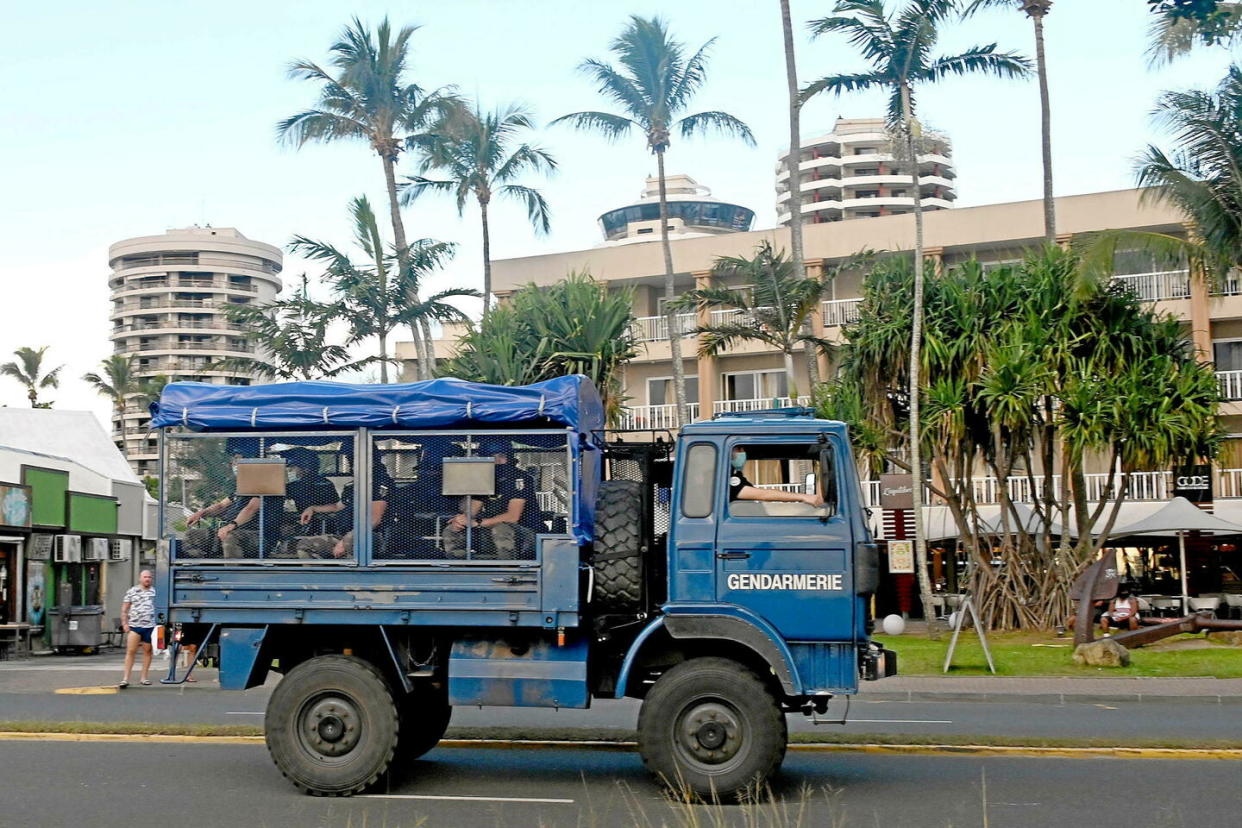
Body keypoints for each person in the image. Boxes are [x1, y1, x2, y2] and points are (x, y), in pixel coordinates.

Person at [443, 437, 542, 560]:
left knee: (501, 528)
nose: (497, 461)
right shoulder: (484, 477)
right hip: (489, 528)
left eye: (501, 456)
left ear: (509, 457)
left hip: (526, 534)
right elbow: (472, 509)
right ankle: (459, 569)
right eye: (491, 456)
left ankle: (508, 572)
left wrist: (477, 523)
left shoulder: (520, 478)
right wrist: (462, 519)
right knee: (452, 529)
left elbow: (512, 517)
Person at [297, 453, 394, 559]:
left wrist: (344, 542)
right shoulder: (352, 486)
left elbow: (374, 520)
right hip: (348, 535)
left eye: (351, 459)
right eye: (349, 459)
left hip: (373, 537)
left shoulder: (379, 483)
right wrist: (313, 508)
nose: (350, 463)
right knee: (305, 544)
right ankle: (319, 575)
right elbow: (337, 507)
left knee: (350, 542)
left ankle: (355, 574)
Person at [728, 446, 824, 507]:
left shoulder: (736, 474)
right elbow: (763, 495)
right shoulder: (727, 478)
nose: (742, 452)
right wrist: (803, 497)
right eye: (739, 449)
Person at [119, 569, 156, 688]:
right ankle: (125, 678)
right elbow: (124, 609)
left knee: (148, 651)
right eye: (145, 577)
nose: (147, 579)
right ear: (140, 578)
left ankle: (144, 677)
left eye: (149, 577)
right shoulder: (132, 591)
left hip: (150, 626)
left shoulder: (155, 592)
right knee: (131, 651)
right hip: (135, 626)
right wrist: (125, 623)